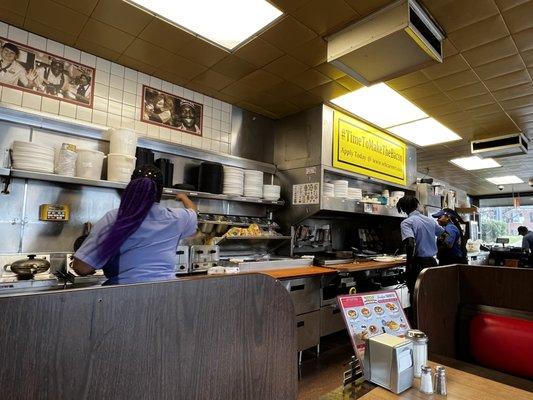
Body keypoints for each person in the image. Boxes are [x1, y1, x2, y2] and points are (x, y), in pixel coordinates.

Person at [72, 165, 198, 285]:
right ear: (160, 192)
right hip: (167, 291)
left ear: (131, 188)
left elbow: (82, 267)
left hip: (125, 293)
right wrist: (184, 198)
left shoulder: (115, 218)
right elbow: (193, 212)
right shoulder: (177, 218)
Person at [397, 196, 444, 314]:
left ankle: (416, 324)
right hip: (432, 263)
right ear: (416, 205)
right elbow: (444, 235)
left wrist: (409, 264)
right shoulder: (430, 220)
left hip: (418, 264)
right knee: (431, 295)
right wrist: (435, 247)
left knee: (415, 296)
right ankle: (431, 322)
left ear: (403, 209)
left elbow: (410, 243)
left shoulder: (406, 222)